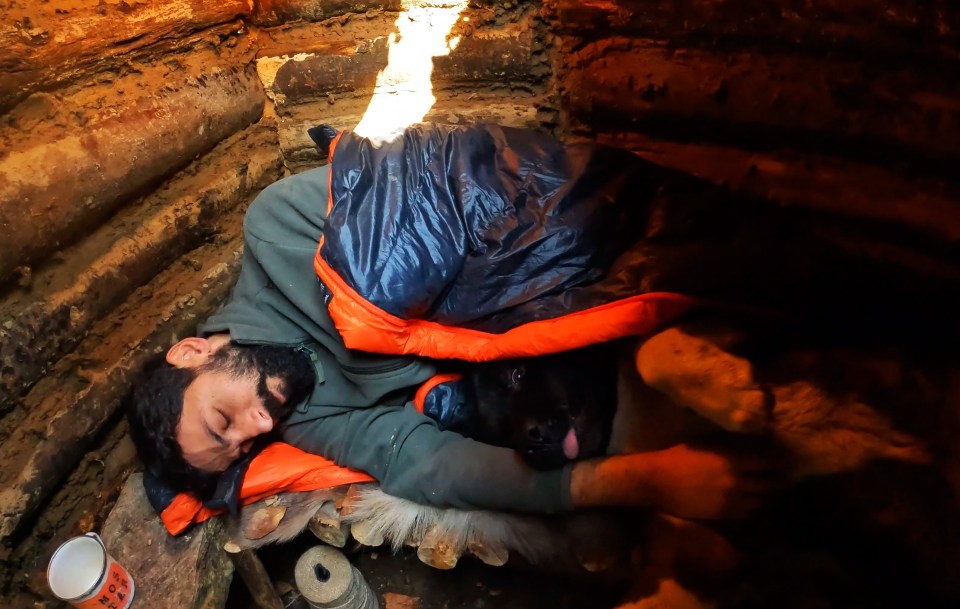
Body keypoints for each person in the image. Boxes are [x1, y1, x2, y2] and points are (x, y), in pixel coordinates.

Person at [127, 161, 772, 521]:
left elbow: (444, 203)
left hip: (540, 233)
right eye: (244, 445)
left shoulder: (276, 229)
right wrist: (639, 482)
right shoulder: (307, 420)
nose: (258, 422)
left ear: (192, 352)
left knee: (729, 260)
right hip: (526, 352)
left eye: (222, 420)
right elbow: (423, 464)